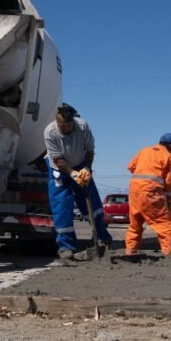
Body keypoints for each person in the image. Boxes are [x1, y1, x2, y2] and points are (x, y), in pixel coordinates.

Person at [44, 103, 113, 260]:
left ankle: (102, 237)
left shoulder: (82, 126)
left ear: (73, 122)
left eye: (69, 125)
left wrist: (87, 168)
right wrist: (72, 174)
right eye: (63, 126)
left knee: (93, 204)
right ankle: (66, 247)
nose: (67, 128)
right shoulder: (50, 132)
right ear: (58, 123)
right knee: (62, 207)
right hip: (59, 170)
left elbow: (89, 151)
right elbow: (58, 159)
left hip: (80, 165)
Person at [125, 133, 171, 256]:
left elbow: (131, 167)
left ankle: (130, 251)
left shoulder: (144, 151)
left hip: (135, 192)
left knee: (135, 224)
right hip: (151, 193)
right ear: (170, 145)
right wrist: (169, 197)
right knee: (164, 225)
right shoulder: (169, 158)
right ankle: (169, 254)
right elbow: (170, 181)